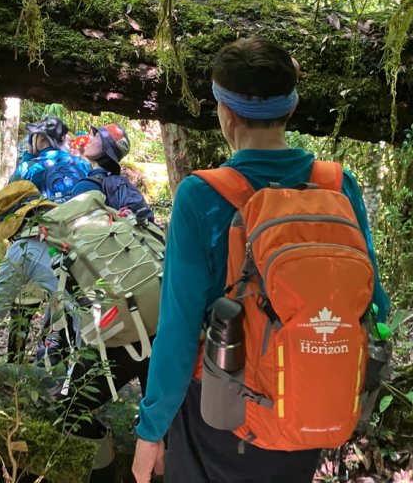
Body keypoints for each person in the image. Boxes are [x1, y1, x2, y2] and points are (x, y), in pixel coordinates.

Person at [131, 37, 390, 483]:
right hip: (306, 405)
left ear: (225, 114)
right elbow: (377, 307)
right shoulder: (337, 185)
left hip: (220, 412)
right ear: (290, 109)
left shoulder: (202, 194)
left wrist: (150, 432)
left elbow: (177, 332)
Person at [0, 181, 152, 482]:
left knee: (71, 412)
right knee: (161, 416)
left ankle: (106, 472)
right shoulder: (81, 225)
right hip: (155, 317)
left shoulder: (22, 250)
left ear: (13, 223)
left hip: (119, 336)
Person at [72, 123, 155, 225]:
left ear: (105, 149)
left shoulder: (86, 186)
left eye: (96, 137)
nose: (90, 139)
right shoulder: (116, 185)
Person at [9, 117, 91, 202]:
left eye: (33, 136)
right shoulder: (83, 164)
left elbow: (8, 200)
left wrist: (29, 154)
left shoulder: (28, 168)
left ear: (40, 136)